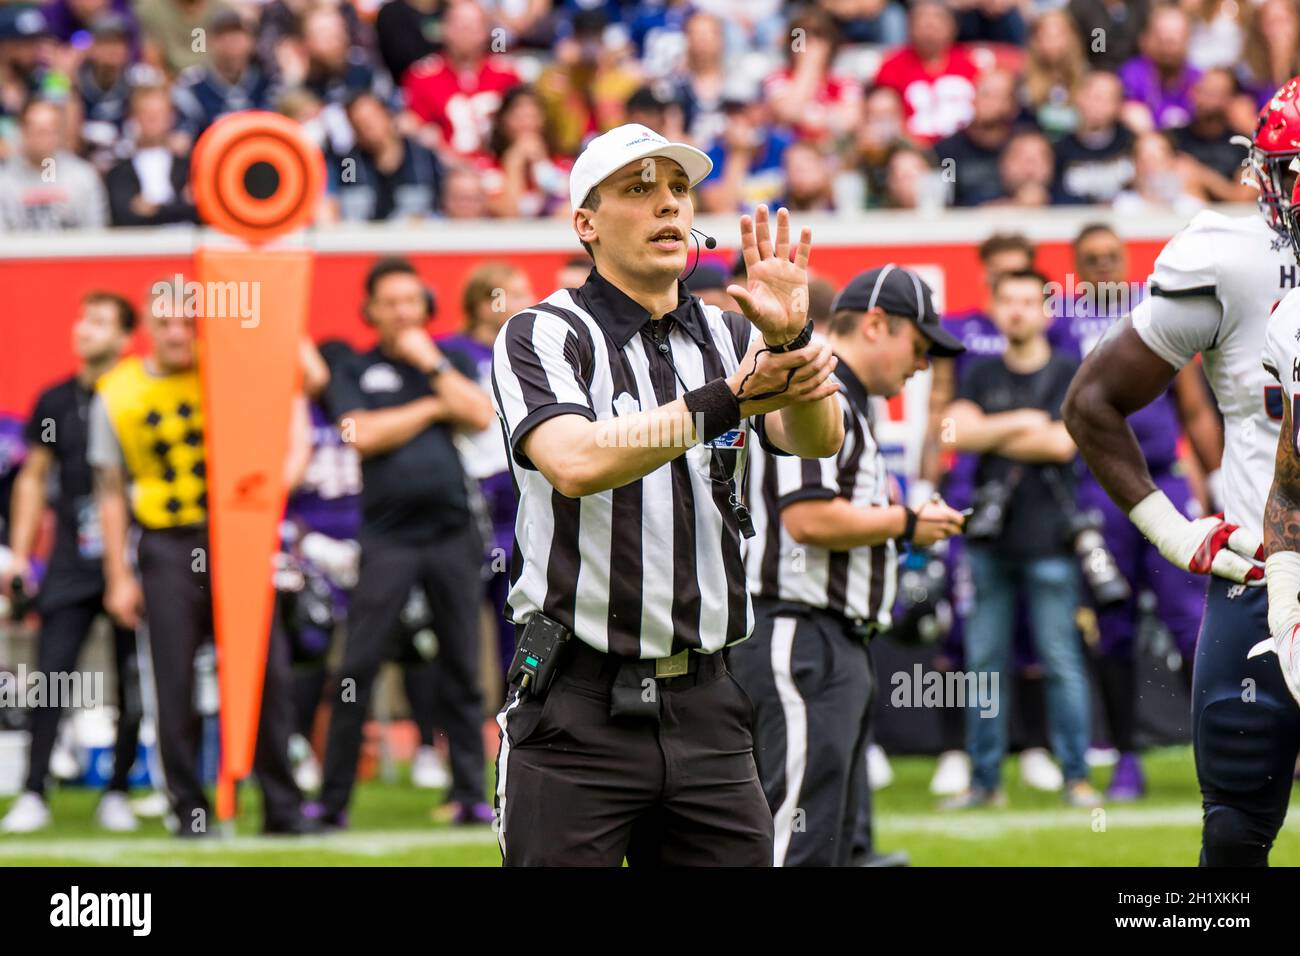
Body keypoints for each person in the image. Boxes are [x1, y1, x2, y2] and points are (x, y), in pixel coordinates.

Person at [490, 123, 843, 866]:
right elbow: (576, 462)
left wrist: (792, 343)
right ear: (585, 221)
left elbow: (817, 438)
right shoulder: (544, 332)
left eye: (679, 190)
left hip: (708, 703)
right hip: (574, 705)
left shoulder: (727, 333)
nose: (667, 207)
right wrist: (728, 399)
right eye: (639, 189)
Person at [1061, 78, 1300, 865]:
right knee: (1232, 834)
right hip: (1258, 580)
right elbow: (1092, 401)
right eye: (1293, 170)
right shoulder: (1232, 262)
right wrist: (1171, 530)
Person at [733, 264, 965, 866]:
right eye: (918, 347)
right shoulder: (818, 391)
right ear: (876, 325)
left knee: (833, 842)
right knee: (795, 840)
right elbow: (807, 518)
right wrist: (908, 522)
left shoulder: (847, 401)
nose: (922, 366)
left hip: (826, 637)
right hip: (797, 632)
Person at [88, 280, 310, 836]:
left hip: (236, 534)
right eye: (164, 322)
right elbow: (110, 491)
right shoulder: (116, 391)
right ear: (147, 327)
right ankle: (189, 809)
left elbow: (298, 394)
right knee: (173, 679)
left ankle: (281, 807)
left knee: (266, 673)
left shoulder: (231, 369)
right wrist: (118, 573)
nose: (176, 333)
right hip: (165, 542)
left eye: (187, 321)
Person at [312, 257, 495, 828]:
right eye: (389, 302)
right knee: (358, 665)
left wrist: (432, 364)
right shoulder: (352, 365)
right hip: (387, 538)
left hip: (451, 532)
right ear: (370, 310)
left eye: (410, 301)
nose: (400, 312)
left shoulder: (452, 360)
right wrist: (431, 407)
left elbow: (481, 415)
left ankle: (470, 794)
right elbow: (357, 434)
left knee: (463, 667)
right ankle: (334, 801)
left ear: (426, 307)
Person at [1053, 223, 1217, 801]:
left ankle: (1224, 750)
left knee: (1195, 624)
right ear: (1075, 265)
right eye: (1089, 258)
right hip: (1100, 488)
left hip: (1165, 483)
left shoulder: (1156, 314)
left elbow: (1194, 408)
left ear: (1126, 262)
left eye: (1110, 257)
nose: (1101, 266)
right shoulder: (1061, 324)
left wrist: (1214, 477)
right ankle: (1126, 756)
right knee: (1111, 626)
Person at [942, 269, 1100, 810]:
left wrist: (995, 428)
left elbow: (1061, 445)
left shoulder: (1068, 371)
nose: (1016, 311)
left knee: (1061, 662)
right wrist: (1025, 421)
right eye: (1006, 300)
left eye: (1027, 301)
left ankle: (1077, 778)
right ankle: (985, 784)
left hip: (1052, 541)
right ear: (993, 307)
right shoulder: (979, 371)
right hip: (990, 545)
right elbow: (955, 432)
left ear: (1045, 310)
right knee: (984, 667)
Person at [0, 292, 142, 835]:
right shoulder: (55, 401)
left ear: (126, 338)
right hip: (69, 562)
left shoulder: (137, 395)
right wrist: (19, 554)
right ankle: (34, 790)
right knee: (51, 675)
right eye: (83, 318)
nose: (85, 329)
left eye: (101, 322)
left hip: (133, 557)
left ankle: (119, 790)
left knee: (135, 676)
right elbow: (34, 477)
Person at [0, 98, 108, 231]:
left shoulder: (83, 176)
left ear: (59, 133)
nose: (43, 139)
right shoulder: (4, 181)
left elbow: (97, 232)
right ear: (23, 131)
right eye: (37, 131)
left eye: (49, 131)